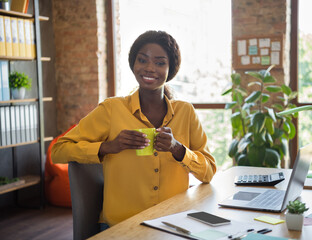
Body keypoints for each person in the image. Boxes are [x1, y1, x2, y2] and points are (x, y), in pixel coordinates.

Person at [51, 30, 217, 230]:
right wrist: (107, 147)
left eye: (159, 62)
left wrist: (178, 149)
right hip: (121, 225)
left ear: (170, 69)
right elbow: (58, 150)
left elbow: (208, 172)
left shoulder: (185, 112)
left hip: (172, 224)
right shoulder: (112, 109)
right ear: (133, 64)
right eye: (142, 60)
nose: (149, 68)